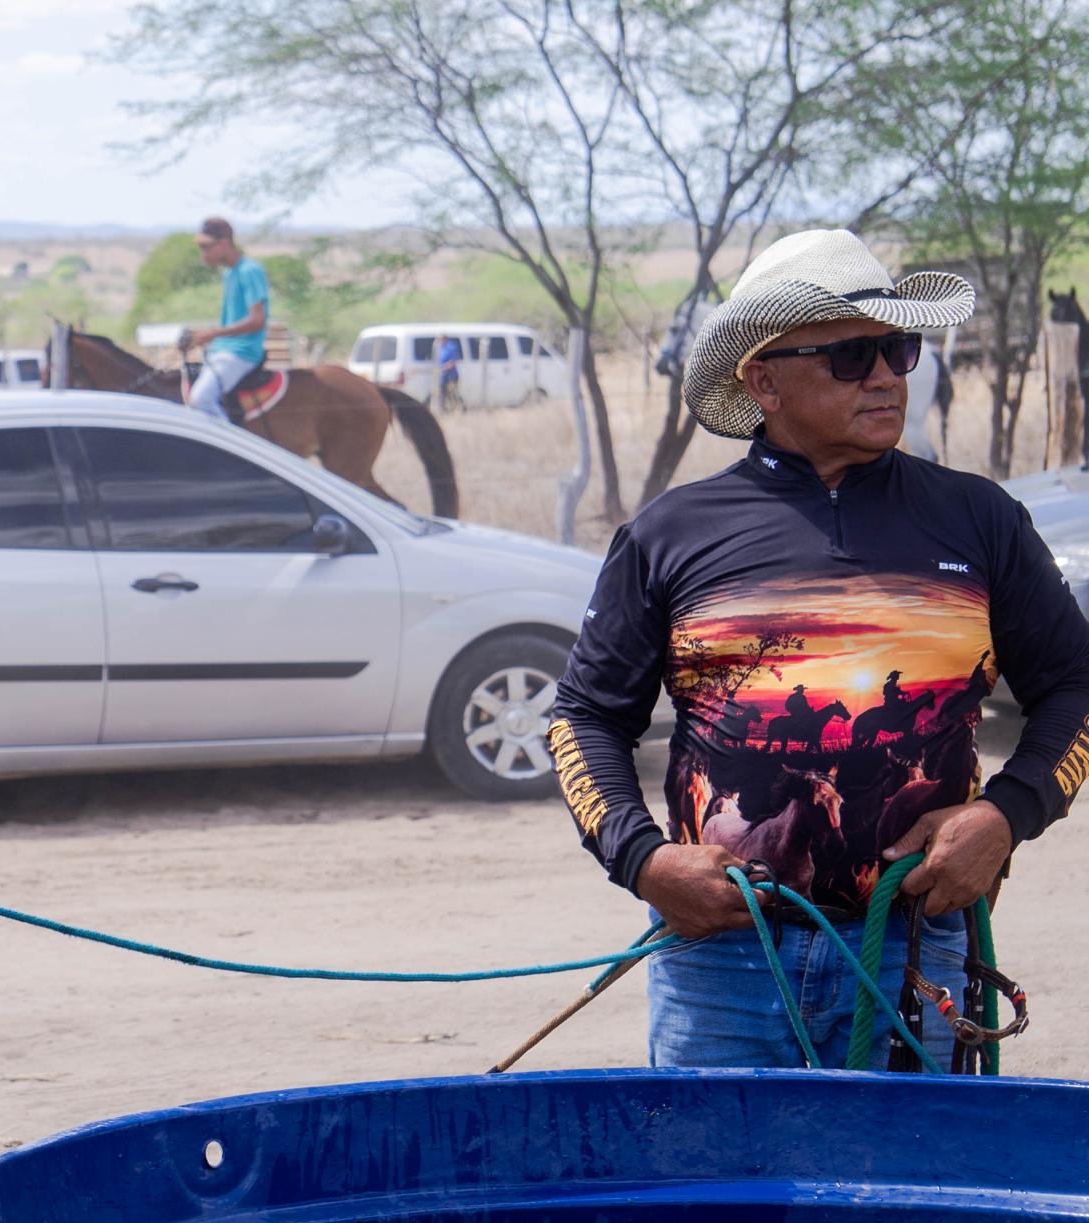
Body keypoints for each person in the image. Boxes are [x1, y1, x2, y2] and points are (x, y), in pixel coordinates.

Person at [547, 227, 1089, 1068]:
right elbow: (583, 717)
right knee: (721, 1162)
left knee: (911, 1163)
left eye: (897, 349)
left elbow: (1075, 687)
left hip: (916, 949)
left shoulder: (980, 520)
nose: (885, 376)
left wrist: (1005, 817)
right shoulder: (670, 535)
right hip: (720, 961)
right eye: (850, 356)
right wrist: (644, 862)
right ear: (763, 380)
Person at [179, 217, 269, 423]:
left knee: (200, 400)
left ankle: (230, 443)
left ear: (225, 243)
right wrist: (202, 337)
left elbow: (257, 320)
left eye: (207, 247)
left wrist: (212, 334)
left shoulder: (249, 270)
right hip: (224, 351)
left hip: (241, 353)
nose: (203, 254)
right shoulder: (229, 273)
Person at [435, 334, 463, 411]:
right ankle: (443, 409)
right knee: (443, 392)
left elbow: (453, 361)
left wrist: (444, 368)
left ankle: (461, 406)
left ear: (445, 339)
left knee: (453, 392)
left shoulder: (451, 347)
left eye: (441, 340)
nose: (440, 342)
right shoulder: (441, 347)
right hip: (443, 376)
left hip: (451, 375)